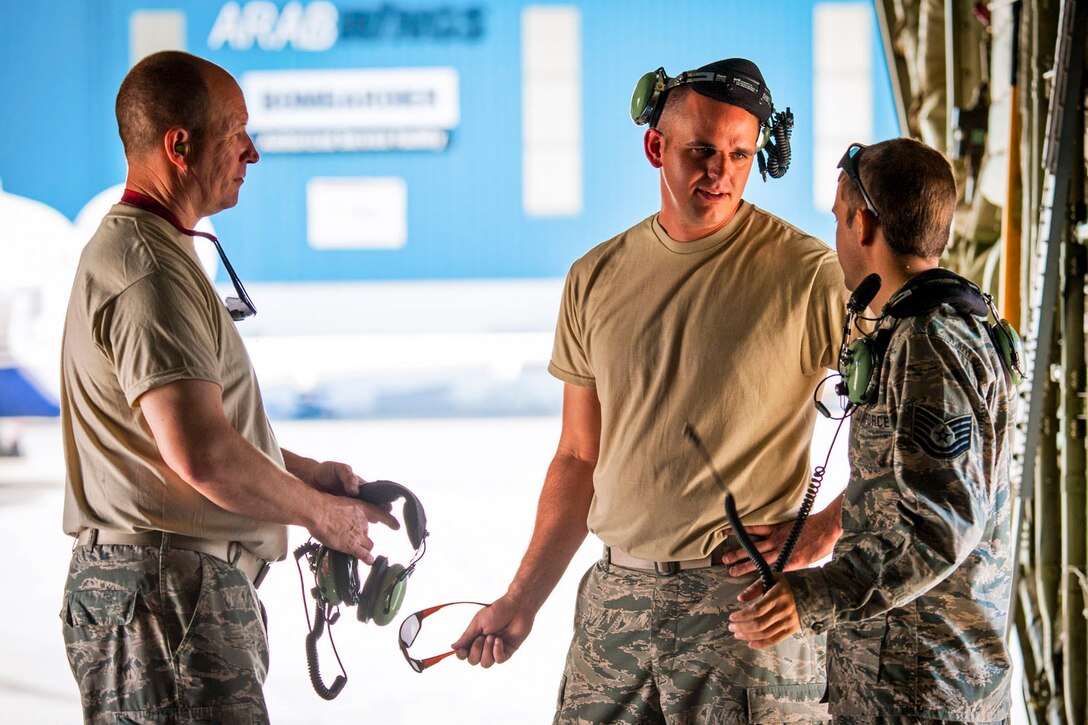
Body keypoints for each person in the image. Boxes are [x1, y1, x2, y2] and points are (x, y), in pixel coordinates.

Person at [453, 58, 851, 723]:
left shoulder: (810, 276)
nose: (719, 171)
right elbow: (579, 458)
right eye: (700, 150)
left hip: (744, 612)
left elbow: (905, 417)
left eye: (739, 154)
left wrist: (822, 530)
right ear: (655, 146)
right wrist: (521, 598)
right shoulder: (595, 277)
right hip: (615, 606)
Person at [59, 51, 397, 724]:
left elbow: (181, 437)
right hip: (165, 601)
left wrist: (310, 474)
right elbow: (202, 455)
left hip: (170, 595)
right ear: (180, 145)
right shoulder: (147, 270)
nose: (253, 151)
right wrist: (320, 514)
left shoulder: (160, 254)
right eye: (236, 130)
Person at [728, 138, 1015, 724]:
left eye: (838, 217)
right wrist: (826, 529)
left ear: (863, 224)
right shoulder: (932, 324)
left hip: (921, 686)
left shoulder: (930, 342)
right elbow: (905, 487)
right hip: (915, 674)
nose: (837, 234)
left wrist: (812, 598)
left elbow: (938, 526)